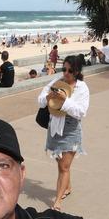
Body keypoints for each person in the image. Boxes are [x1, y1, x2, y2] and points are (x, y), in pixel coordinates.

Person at [38, 54, 90, 210]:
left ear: (77, 71)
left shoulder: (82, 88)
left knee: (64, 168)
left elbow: (81, 112)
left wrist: (64, 100)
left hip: (70, 130)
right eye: (64, 69)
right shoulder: (56, 82)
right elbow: (40, 99)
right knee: (62, 164)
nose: (66, 73)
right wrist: (48, 97)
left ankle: (57, 202)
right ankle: (67, 187)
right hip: (55, 128)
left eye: (70, 70)